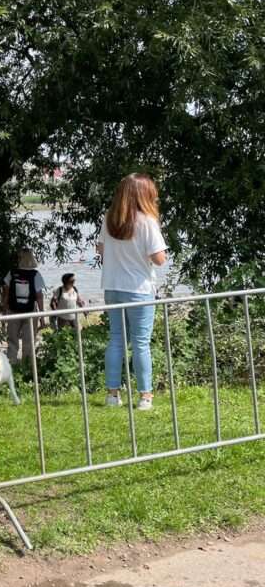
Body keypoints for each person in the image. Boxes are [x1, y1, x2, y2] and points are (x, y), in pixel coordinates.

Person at [96, 173, 167, 411]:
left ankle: (112, 395)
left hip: (113, 287)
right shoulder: (147, 222)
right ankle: (145, 396)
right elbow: (159, 259)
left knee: (116, 340)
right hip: (139, 289)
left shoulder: (109, 219)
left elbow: (101, 250)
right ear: (144, 195)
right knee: (140, 343)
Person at [1, 248, 46, 365]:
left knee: (12, 341)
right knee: (29, 341)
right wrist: (42, 316)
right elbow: (39, 297)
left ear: (19, 259)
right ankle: (27, 367)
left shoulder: (11, 273)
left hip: (13, 311)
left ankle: (11, 365)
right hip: (30, 312)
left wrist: (4, 310)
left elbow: (5, 293)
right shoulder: (35, 274)